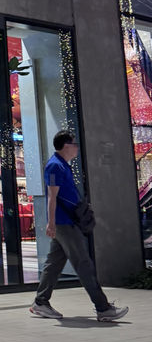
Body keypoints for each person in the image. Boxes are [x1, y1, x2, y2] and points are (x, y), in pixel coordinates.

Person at [30, 130, 129, 322]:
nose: (76, 148)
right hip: (64, 224)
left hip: (66, 222)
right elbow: (52, 197)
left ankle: (41, 302)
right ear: (66, 146)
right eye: (74, 144)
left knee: (54, 264)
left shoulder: (62, 165)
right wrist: (51, 223)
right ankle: (103, 308)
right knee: (83, 263)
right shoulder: (54, 166)